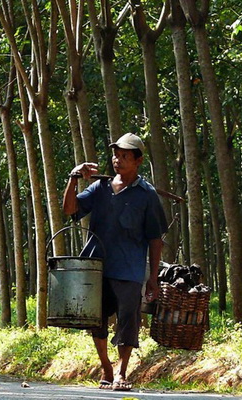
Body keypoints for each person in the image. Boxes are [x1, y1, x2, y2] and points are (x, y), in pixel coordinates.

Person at [62, 133, 167, 392]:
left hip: (130, 269)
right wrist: (73, 178)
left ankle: (122, 371)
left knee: (128, 319)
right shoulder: (100, 188)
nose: (117, 160)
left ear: (138, 161)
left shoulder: (147, 195)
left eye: (124, 156)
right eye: (116, 155)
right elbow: (70, 210)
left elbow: (155, 239)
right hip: (96, 266)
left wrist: (152, 277)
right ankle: (106, 367)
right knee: (96, 319)